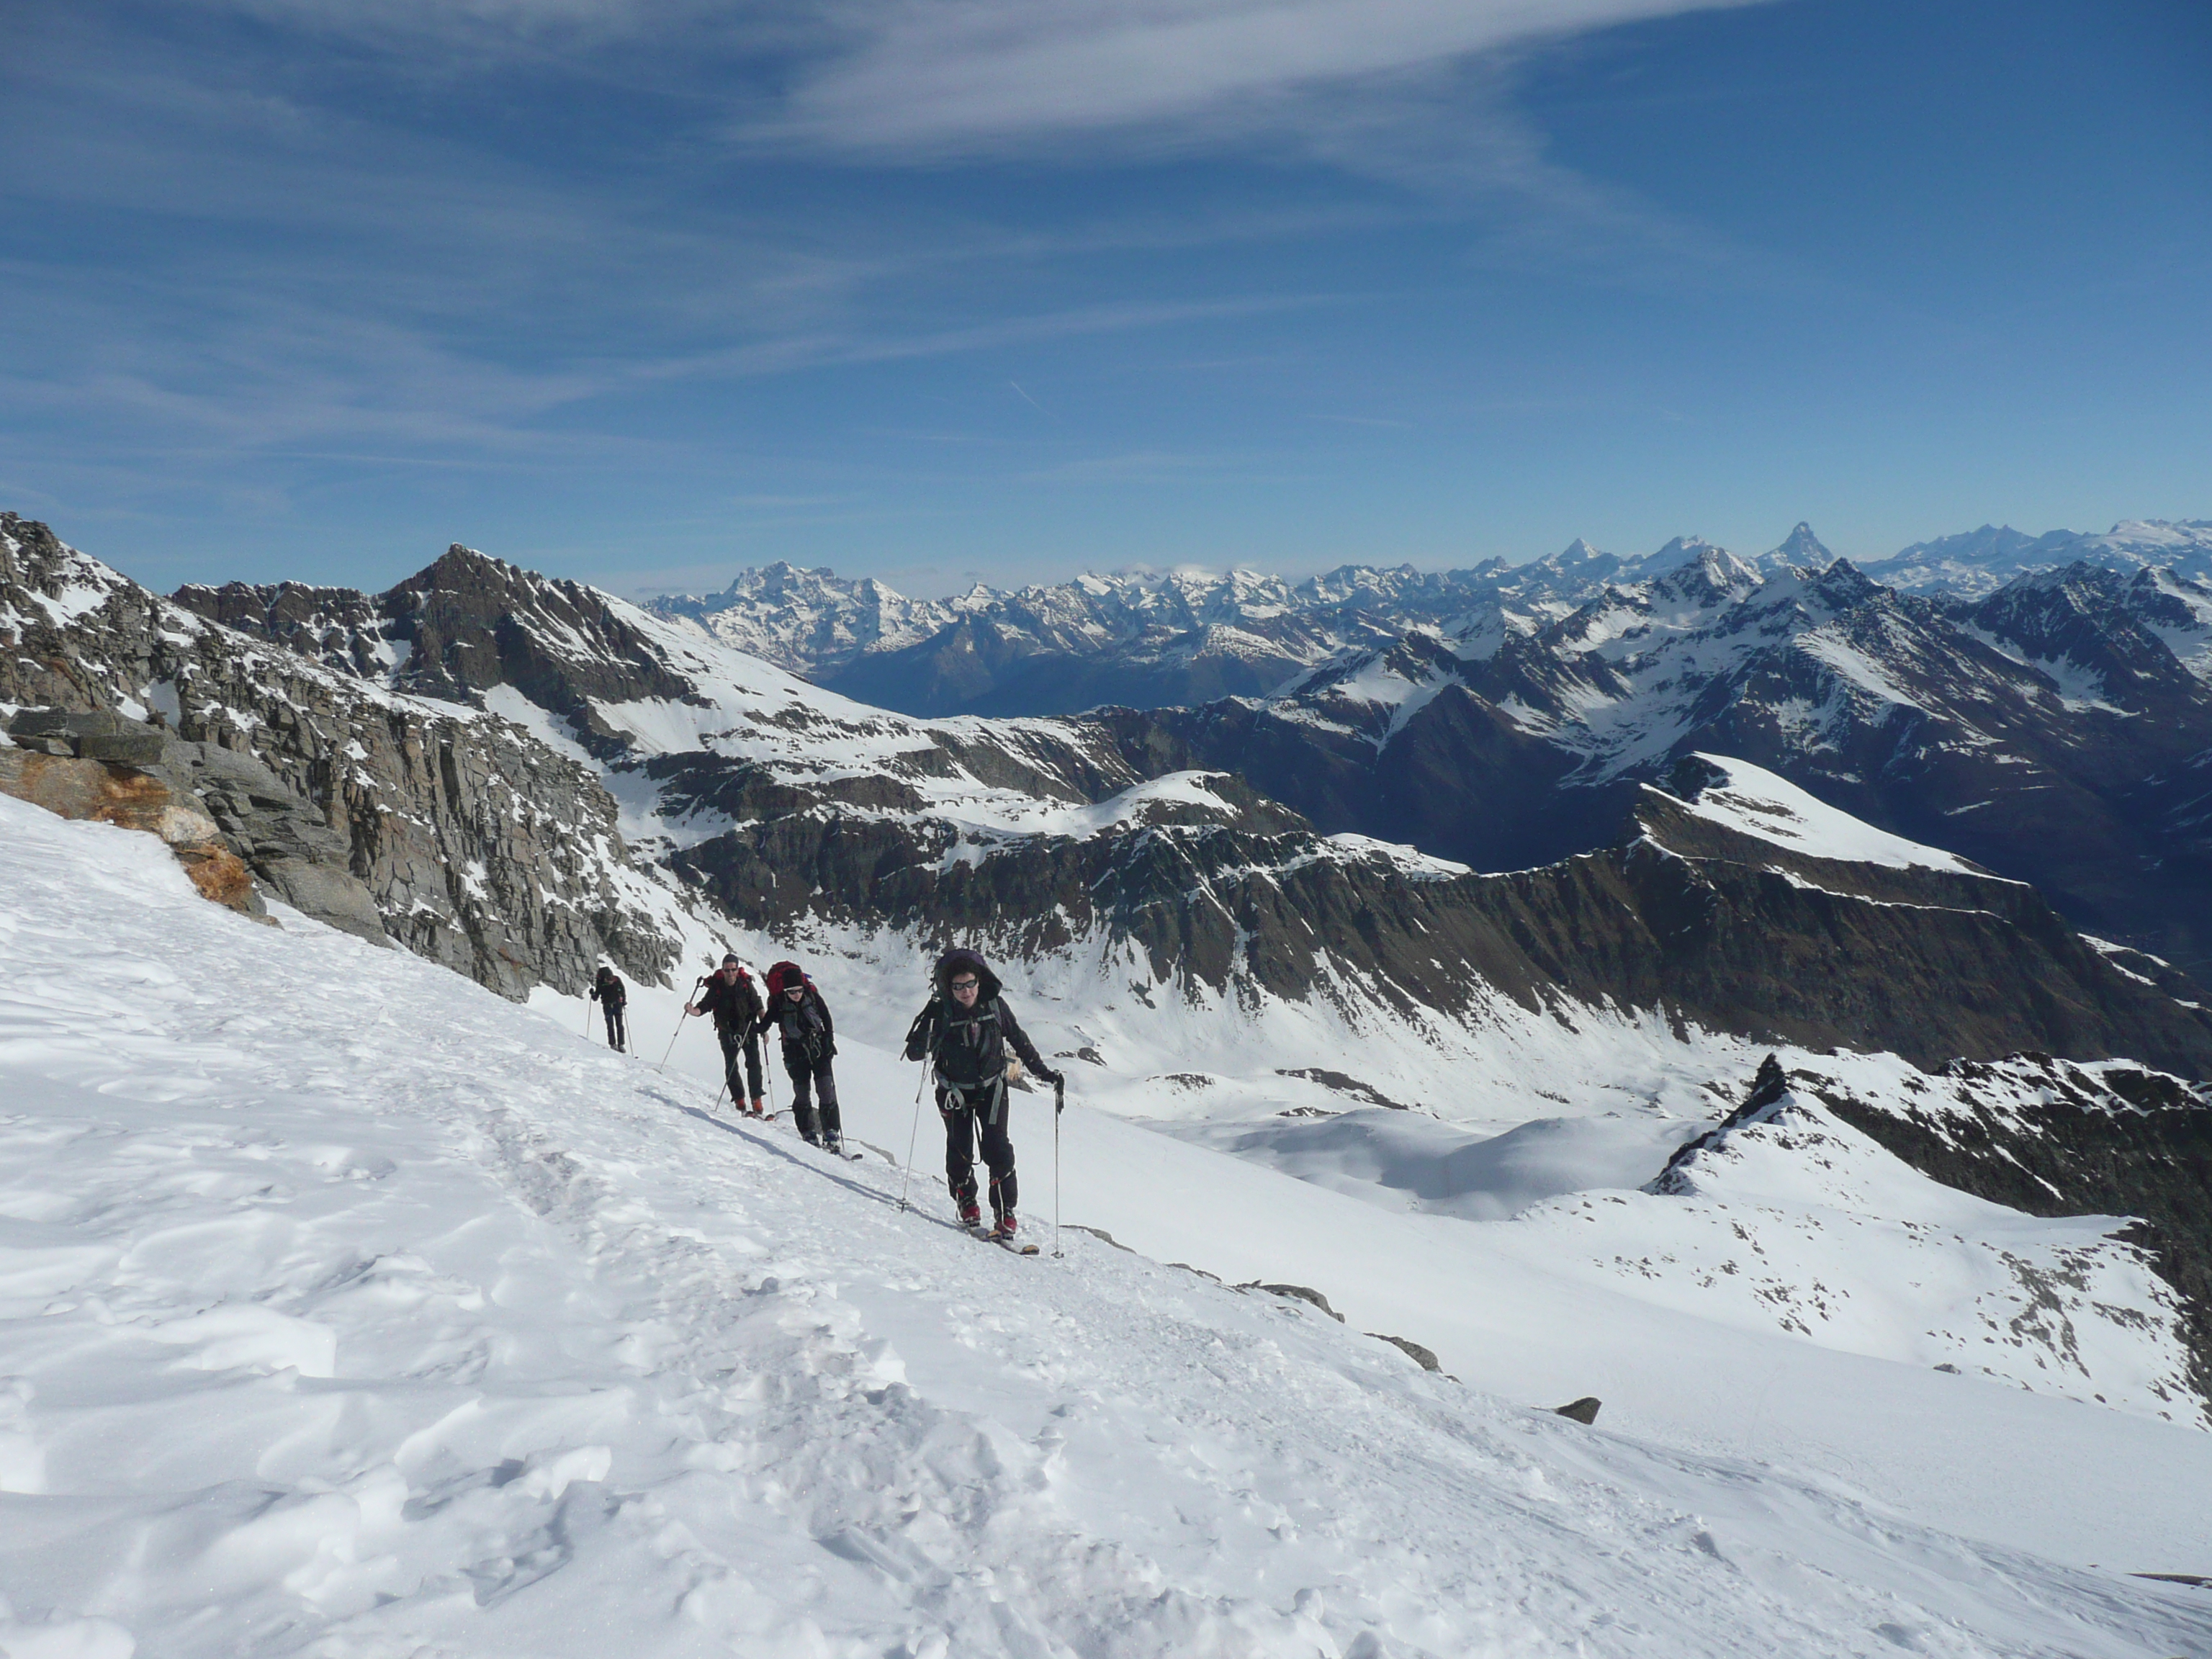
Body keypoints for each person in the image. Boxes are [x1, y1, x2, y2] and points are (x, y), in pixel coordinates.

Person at [902, 948, 1061, 1241]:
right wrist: (931, 1017)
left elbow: (1019, 1040)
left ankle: (1004, 1213)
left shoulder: (996, 1006)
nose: (966, 992)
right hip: (954, 1091)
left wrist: (1043, 1072)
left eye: (971, 984)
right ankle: (967, 1202)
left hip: (991, 1088)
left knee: (997, 1148)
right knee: (960, 1149)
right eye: (958, 986)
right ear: (948, 987)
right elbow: (915, 1053)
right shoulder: (942, 1012)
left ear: (980, 980)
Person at [765, 961, 842, 1152]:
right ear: (785, 992)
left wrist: (829, 1039)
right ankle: (808, 1132)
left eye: (799, 990)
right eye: (792, 992)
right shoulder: (779, 1005)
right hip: (795, 1053)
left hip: (819, 1049)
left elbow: (826, 1018)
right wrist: (754, 1026)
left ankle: (831, 1132)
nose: (797, 995)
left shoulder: (813, 998)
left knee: (826, 1089)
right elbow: (766, 1021)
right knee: (802, 1093)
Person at [685, 954, 767, 1116]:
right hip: (727, 1032)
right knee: (731, 1066)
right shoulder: (717, 988)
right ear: (722, 970)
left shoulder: (746, 985)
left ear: (738, 970)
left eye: (733, 970)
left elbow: (758, 1005)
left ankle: (756, 1099)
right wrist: (692, 1011)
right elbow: (705, 1005)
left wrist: (764, 1029)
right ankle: (740, 1101)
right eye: (727, 970)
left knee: (754, 1065)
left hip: (748, 1030)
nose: (730, 973)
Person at [589, 964, 629, 1052]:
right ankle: (620, 1045)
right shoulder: (616, 980)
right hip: (617, 1005)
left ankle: (614, 1045)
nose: (610, 981)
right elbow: (622, 990)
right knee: (619, 1025)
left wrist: (592, 994)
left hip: (608, 1006)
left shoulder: (601, 983)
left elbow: (596, 998)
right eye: (608, 979)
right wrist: (624, 1001)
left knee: (611, 1025)